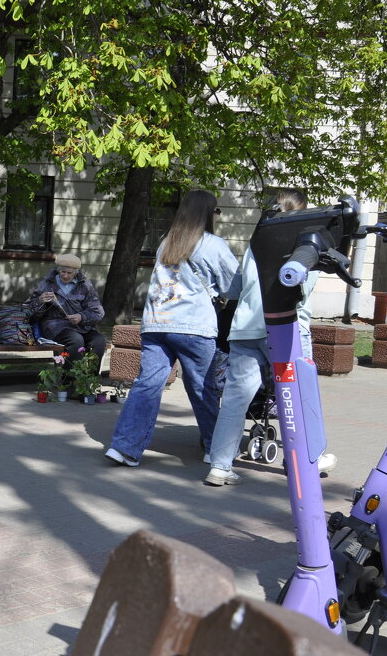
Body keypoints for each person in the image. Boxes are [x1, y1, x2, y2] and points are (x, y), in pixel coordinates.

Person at [203, 189, 335, 486]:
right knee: (297, 398)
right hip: (286, 331)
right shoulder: (306, 244)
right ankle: (303, 459)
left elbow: (233, 289)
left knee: (236, 400)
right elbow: (303, 291)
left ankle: (220, 466)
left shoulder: (257, 242)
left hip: (246, 329)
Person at [105, 190, 238, 467]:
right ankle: (217, 449)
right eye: (216, 211)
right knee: (203, 389)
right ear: (207, 214)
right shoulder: (213, 244)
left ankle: (125, 447)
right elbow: (234, 286)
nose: (217, 216)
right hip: (193, 326)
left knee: (146, 386)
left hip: (156, 324)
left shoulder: (166, 241)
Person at [21, 253, 106, 364]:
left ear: (76, 273)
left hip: (82, 327)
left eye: (69, 273)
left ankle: (89, 378)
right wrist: (39, 301)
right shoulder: (46, 284)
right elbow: (27, 310)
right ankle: (68, 379)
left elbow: (98, 312)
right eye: (63, 272)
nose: (65, 275)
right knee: (76, 340)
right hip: (56, 327)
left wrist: (81, 317)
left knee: (99, 341)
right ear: (58, 270)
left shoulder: (85, 286)